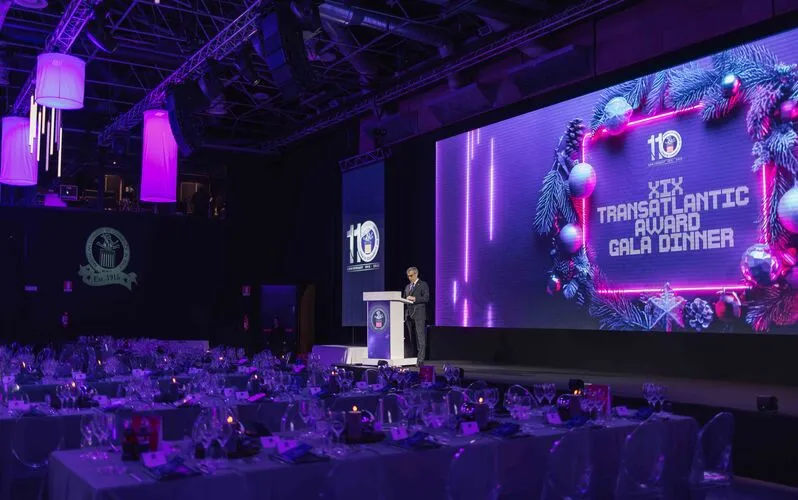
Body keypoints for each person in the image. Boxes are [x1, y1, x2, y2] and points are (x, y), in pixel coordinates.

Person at [402, 266, 430, 366]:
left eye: (411, 275)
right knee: (411, 338)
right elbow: (404, 299)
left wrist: (414, 298)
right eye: (408, 276)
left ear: (416, 274)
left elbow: (426, 298)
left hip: (419, 315)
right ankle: (412, 358)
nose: (409, 278)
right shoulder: (407, 287)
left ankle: (420, 360)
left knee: (420, 338)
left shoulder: (423, 284)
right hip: (409, 315)